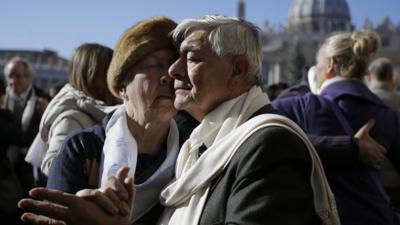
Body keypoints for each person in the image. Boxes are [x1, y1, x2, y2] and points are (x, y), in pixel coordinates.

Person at [19, 15, 339, 225]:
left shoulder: (265, 144)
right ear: (120, 86)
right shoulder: (203, 143)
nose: (172, 73)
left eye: (191, 58)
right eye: (157, 64)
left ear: (238, 70)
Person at [43, 16, 193, 224]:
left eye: (171, 65)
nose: (167, 75)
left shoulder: (192, 151)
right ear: (122, 87)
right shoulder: (83, 150)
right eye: (153, 65)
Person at [273, 31, 400, 225]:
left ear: (330, 65)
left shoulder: (299, 107)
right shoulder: (387, 114)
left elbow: (266, 140)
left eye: (318, 65)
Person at [34, 43, 117, 176]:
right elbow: (52, 167)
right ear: (94, 75)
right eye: (112, 72)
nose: (117, 79)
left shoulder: (97, 111)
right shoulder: (71, 118)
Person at [2, 57, 51, 193]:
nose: (12, 81)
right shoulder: (2, 98)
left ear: (29, 78)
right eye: (9, 76)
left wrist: (46, 111)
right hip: (5, 163)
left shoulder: (42, 99)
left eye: (18, 76)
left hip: (30, 165)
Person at [366, 57, 400, 207]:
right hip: (396, 180)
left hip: (370, 178)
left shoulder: (362, 101)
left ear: (370, 77)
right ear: (392, 77)